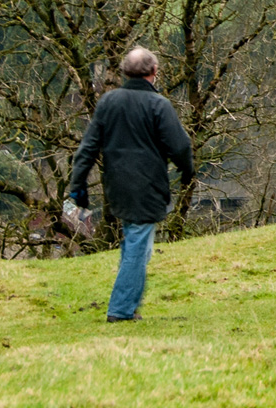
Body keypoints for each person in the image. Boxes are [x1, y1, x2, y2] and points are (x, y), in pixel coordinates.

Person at [69, 46, 194, 323]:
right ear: (154, 72)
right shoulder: (158, 105)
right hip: (147, 187)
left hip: (117, 186)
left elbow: (88, 147)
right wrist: (187, 173)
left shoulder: (108, 102)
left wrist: (78, 183)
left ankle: (128, 305)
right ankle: (121, 309)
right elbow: (180, 146)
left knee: (136, 243)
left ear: (126, 71)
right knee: (138, 246)